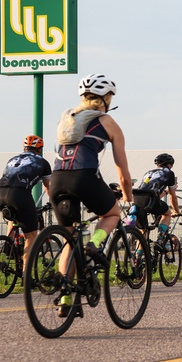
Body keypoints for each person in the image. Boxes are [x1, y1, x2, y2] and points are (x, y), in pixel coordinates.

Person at [51, 74, 133, 265]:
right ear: (106, 99)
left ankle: (65, 293)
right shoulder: (107, 121)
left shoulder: (67, 118)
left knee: (69, 242)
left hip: (57, 180)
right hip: (84, 176)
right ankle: (94, 245)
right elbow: (123, 173)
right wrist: (127, 196)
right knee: (112, 214)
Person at [0, 135, 51, 267]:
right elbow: (48, 187)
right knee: (31, 236)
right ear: (40, 149)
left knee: (12, 219)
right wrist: (53, 202)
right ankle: (26, 273)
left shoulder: (12, 159)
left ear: (24, 148)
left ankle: (9, 245)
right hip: (19, 194)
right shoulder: (42, 162)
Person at [133, 153, 181, 244]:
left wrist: (165, 192)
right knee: (167, 214)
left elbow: (149, 191)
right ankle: (160, 239)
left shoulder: (148, 173)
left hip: (138, 200)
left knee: (143, 233)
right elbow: (173, 196)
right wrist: (176, 211)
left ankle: (137, 256)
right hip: (151, 201)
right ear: (169, 164)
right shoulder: (169, 173)